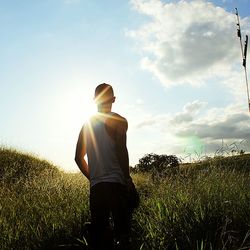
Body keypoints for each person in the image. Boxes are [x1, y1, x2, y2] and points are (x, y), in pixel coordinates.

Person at [75, 83, 135, 249]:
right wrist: (127, 179)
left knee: (100, 237)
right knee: (123, 235)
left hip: (96, 188)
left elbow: (78, 158)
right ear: (114, 99)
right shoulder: (119, 121)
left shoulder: (86, 125)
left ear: (94, 100)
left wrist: (93, 178)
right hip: (116, 183)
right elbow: (121, 150)